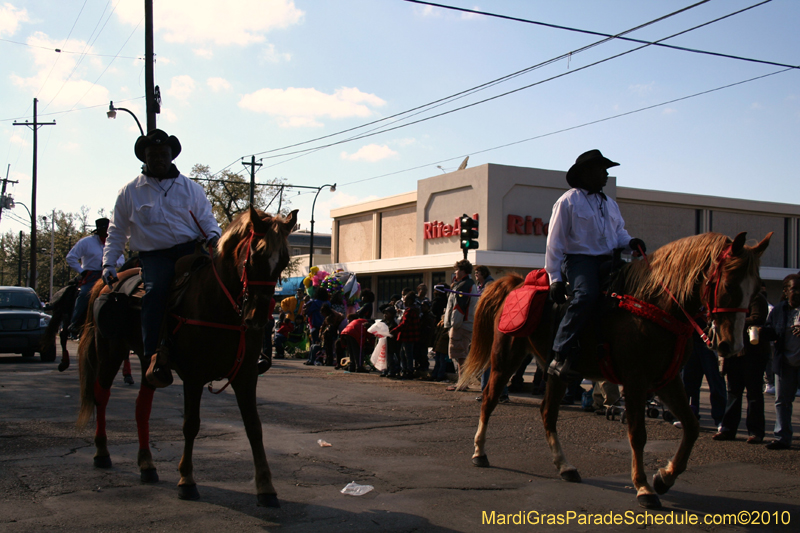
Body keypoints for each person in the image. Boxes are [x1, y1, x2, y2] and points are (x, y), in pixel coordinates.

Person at [102, 129, 221, 388]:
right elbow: (117, 231)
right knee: (155, 292)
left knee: (223, 285)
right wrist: (109, 263)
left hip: (191, 251)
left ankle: (235, 349)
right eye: (153, 154)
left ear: (171, 156)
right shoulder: (129, 191)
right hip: (156, 256)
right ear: (144, 157)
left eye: (163, 154)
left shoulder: (191, 188)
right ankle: (153, 355)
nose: (159, 158)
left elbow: (207, 219)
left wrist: (214, 235)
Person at [545, 149, 646, 380]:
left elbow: (619, 234)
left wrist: (631, 242)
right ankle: (560, 353)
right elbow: (554, 241)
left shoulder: (610, 204)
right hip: (579, 260)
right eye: (602, 170)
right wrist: (555, 278)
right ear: (586, 173)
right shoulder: (568, 201)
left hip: (610, 260)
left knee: (637, 291)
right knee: (586, 295)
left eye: (606, 170)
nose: (606, 175)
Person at [714, 289, 770, 443]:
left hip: (753, 353)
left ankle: (756, 432)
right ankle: (728, 429)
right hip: (734, 353)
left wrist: (732, 321)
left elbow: (757, 318)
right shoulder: (733, 297)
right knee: (733, 392)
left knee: (754, 394)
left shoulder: (756, 297)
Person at [760, 273, 800, 450]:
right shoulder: (778, 310)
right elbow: (771, 331)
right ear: (786, 291)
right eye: (794, 289)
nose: (798, 293)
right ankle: (782, 437)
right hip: (785, 363)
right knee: (782, 401)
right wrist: (760, 332)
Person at [66, 218, 124, 337]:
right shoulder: (86, 242)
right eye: (104, 230)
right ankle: (75, 323)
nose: (106, 233)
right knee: (84, 294)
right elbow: (71, 257)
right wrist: (81, 271)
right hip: (91, 275)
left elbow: (121, 259)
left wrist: (110, 263)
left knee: (121, 293)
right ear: (98, 231)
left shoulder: (113, 243)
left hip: (109, 274)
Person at [474, 266, 508, 403]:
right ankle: (499, 393)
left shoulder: (489, 286)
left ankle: (489, 392)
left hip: (490, 329)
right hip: (489, 327)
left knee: (489, 363)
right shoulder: (481, 286)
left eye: (477, 273)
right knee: (494, 363)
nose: (476, 275)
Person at [444, 259, 476, 390]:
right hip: (466, 324)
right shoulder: (468, 284)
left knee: (460, 355)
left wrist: (453, 324)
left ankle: (462, 382)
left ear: (463, 271)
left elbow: (459, 308)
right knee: (461, 354)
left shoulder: (463, 285)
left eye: (457, 270)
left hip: (461, 325)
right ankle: (463, 381)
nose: (455, 272)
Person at [391, 292, 422, 379]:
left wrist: (394, 330)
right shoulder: (415, 310)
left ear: (410, 301)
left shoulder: (409, 311)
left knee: (407, 355)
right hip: (411, 335)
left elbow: (404, 324)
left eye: (405, 300)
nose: (404, 302)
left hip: (407, 336)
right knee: (404, 354)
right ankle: (405, 370)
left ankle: (408, 371)